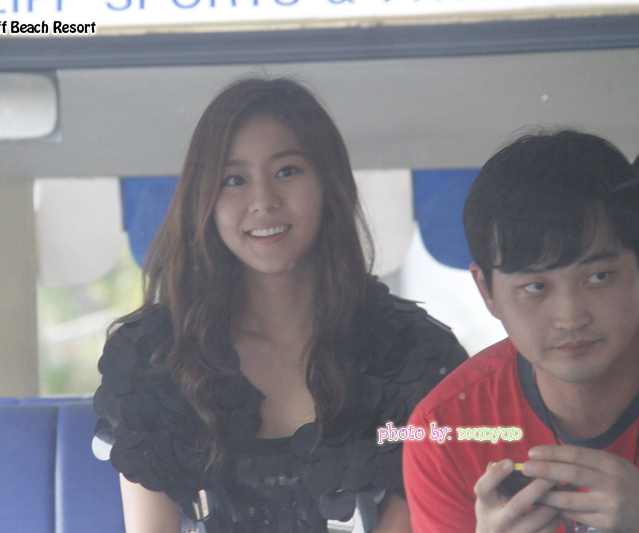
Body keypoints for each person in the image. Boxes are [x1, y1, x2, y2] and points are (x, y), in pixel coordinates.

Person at [93, 78, 467, 533]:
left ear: (330, 182)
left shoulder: (414, 353)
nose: (263, 201)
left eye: (287, 171)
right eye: (234, 180)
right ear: (203, 201)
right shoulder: (149, 357)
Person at [403, 130, 639, 533]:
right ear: (487, 291)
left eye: (599, 276)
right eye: (534, 287)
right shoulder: (444, 431)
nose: (570, 317)